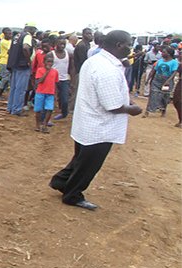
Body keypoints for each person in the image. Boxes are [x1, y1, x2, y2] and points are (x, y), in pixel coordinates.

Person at [49, 30, 143, 211]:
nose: (130, 48)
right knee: (89, 164)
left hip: (87, 122)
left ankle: (61, 181)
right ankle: (72, 195)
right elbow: (113, 106)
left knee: (81, 158)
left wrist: (125, 97)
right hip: (99, 127)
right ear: (119, 45)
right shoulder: (106, 69)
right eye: (128, 45)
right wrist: (131, 109)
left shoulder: (95, 61)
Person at [7, 22, 37, 116]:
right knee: (20, 89)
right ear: (31, 29)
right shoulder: (27, 36)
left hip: (14, 64)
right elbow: (25, 48)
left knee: (14, 88)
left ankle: (10, 108)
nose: (34, 32)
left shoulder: (17, 35)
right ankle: (17, 109)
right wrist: (29, 61)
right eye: (34, 30)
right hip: (22, 65)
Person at [144, 46, 179, 117]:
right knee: (153, 94)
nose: (162, 53)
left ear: (169, 54)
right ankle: (148, 111)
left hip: (167, 81)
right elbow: (153, 70)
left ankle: (163, 110)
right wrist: (148, 79)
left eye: (163, 52)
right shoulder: (160, 61)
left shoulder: (174, 62)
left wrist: (168, 81)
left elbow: (174, 73)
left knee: (165, 96)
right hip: (157, 80)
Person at [48, 37, 74, 120]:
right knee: (51, 98)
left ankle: (64, 113)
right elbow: (46, 67)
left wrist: (71, 79)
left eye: (64, 44)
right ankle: (47, 117)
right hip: (52, 79)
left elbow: (71, 67)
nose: (62, 46)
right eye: (60, 44)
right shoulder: (51, 54)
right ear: (56, 44)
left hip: (64, 79)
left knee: (65, 99)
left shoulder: (68, 54)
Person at [33, 56, 59, 133]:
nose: (50, 63)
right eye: (48, 61)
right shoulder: (40, 70)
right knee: (38, 110)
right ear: (44, 62)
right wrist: (47, 72)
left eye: (51, 62)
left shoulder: (55, 72)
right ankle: (37, 124)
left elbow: (56, 84)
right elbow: (39, 81)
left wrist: (56, 95)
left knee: (50, 109)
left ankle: (45, 125)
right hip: (40, 92)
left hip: (50, 93)